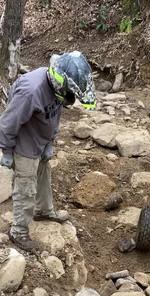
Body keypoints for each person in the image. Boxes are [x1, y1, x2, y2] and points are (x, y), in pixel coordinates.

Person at [0, 51, 96, 251]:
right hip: (24, 143)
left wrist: (50, 142)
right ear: (60, 81)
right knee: (26, 187)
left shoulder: (58, 86)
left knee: (44, 175)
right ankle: (19, 231)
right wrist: (6, 150)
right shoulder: (31, 91)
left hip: (41, 139)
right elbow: (8, 123)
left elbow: (55, 114)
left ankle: (44, 210)